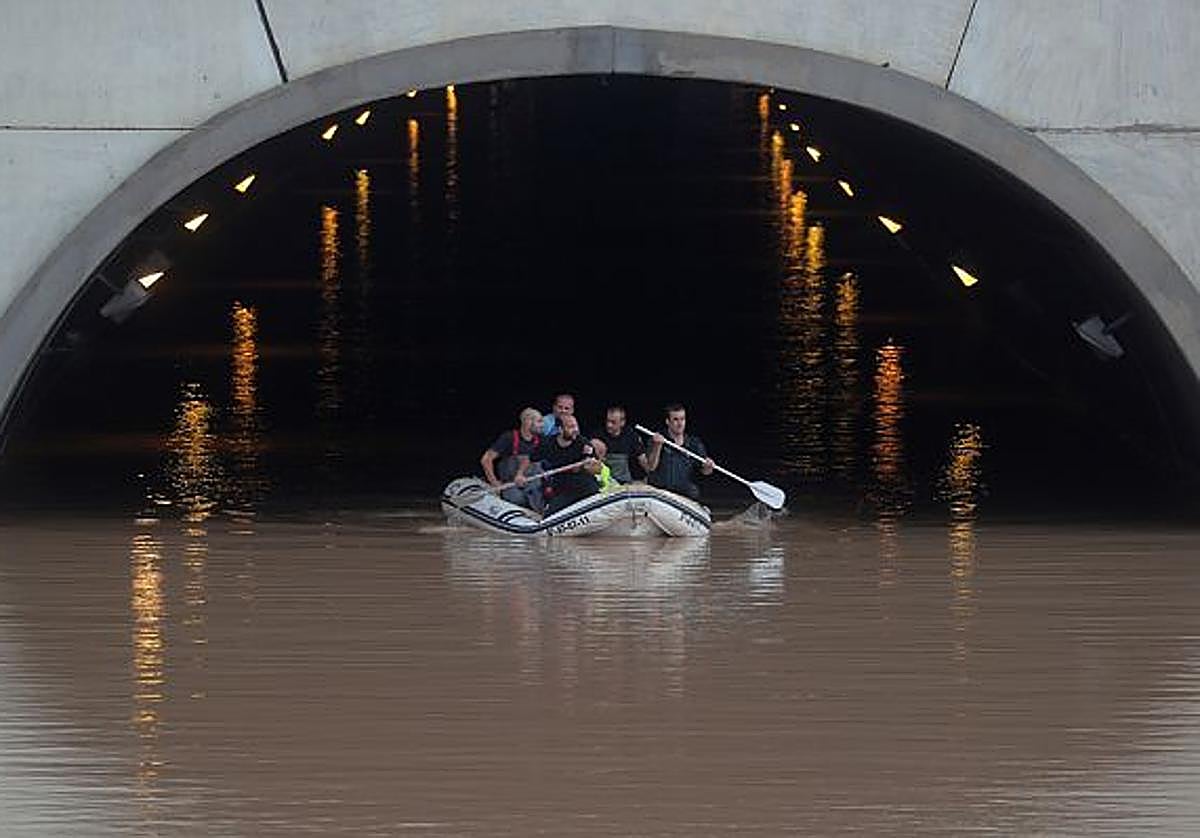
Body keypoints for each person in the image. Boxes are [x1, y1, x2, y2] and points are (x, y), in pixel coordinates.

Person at [516, 414, 600, 514]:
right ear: (560, 429)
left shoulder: (584, 444)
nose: (575, 430)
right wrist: (520, 474)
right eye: (571, 427)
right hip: (562, 487)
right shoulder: (547, 444)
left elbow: (597, 469)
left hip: (584, 485)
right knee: (550, 514)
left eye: (576, 426)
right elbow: (529, 459)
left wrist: (588, 467)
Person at [645, 403, 714, 500]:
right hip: (661, 493)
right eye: (675, 419)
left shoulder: (694, 443)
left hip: (684, 494)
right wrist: (657, 446)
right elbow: (651, 467)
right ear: (667, 422)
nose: (680, 423)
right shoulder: (656, 439)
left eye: (682, 419)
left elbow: (705, 472)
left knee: (694, 492)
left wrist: (708, 467)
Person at [480, 407, 544, 511]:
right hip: (510, 482)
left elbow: (528, 461)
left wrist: (521, 475)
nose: (542, 425)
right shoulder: (509, 438)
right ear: (527, 422)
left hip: (532, 481)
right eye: (539, 421)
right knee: (515, 498)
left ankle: (540, 510)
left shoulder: (541, 440)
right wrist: (494, 483)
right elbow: (486, 459)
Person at [592, 405, 648, 485]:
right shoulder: (597, 435)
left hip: (625, 483)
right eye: (607, 421)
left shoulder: (631, 436)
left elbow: (643, 460)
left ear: (622, 422)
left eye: (613, 422)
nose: (609, 425)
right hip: (603, 482)